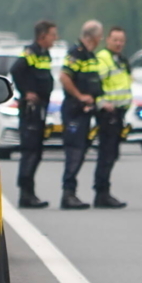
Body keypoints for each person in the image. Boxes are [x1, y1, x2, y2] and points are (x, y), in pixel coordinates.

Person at [10, 20, 58, 208]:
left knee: (37, 151)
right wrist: (26, 92)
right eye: (53, 35)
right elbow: (16, 70)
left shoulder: (45, 54)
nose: (55, 38)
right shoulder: (31, 52)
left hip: (41, 109)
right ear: (42, 36)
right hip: (31, 110)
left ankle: (30, 192)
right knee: (30, 151)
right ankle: (25, 193)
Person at [59, 20, 104, 210]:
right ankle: (68, 194)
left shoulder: (89, 55)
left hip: (85, 111)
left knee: (81, 150)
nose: (101, 39)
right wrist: (80, 96)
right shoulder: (76, 54)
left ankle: (71, 193)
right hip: (74, 110)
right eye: (100, 35)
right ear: (93, 37)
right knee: (75, 152)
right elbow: (64, 76)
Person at [93, 26, 131, 209]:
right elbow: (94, 83)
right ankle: (102, 193)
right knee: (107, 154)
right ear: (108, 40)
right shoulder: (104, 59)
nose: (118, 44)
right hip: (108, 113)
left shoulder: (120, 60)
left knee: (112, 153)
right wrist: (101, 103)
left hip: (118, 113)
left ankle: (104, 192)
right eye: (115, 40)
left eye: (121, 41)